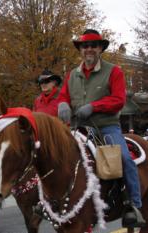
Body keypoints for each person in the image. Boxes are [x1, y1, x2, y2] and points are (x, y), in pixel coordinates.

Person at [57, 29, 145, 227]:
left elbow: (118, 99)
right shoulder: (72, 75)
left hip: (106, 127)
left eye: (93, 46)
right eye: (85, 46)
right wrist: (62, 104)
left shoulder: (114, 71)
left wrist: (94, 106)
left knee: (124, 158)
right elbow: (64, 96)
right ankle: (52, 200)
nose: (88, 49)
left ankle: (133, 205)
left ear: (100, 49)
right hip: (79, 128)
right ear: (80, 49)